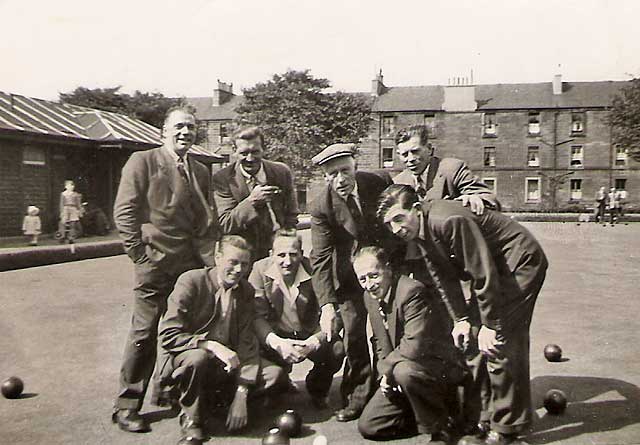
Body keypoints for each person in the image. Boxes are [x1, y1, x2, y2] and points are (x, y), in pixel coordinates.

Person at [377, 184, 548, 445]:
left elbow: (483, 271)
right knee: (473, 341)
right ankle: (482, 416)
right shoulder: (421, 229)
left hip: (520, 263)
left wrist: (490, 324)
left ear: (415, 208)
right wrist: (461, 320)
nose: (396, 229)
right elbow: (441, 275)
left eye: (399, 218)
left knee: (498, 343)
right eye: (390, 224)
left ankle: (507, 429)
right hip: (496, 269)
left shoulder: (447, 220)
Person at [111, 106, 219, 433]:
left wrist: (206, 258)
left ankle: (169, 390)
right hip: (154, 266)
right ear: (164, 131)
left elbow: (206, 217)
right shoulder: (142, 161)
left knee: (184, 334)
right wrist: (140, 256)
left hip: (188, 268)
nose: (185, 132)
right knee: (144, 335)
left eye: (190, 127)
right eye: (179, 127)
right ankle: (127, 405)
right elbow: (125, 212)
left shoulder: (199, 170)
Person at [158, 235, 286, 445]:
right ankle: (191, 419)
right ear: (217, 258)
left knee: (274, 374)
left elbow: (247, 342)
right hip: (189, 357)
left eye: (244, 265)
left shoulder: (246, 290)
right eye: (233, 262)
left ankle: (224, 404)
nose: (238, 270)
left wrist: (242, 392)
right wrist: (211, 345)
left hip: (226, 365)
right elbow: (168, 335)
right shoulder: (191, 281)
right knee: (197, 359)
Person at [309, 143, 393, 422]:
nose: (341, 179)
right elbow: (320, 257)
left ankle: (389, 389)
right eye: (332, 174)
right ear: (325, 177)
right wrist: (327, 305)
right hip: (347, 277)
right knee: (354, 333)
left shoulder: (378, 182)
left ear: (356, 165)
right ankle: (356, 396)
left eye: (345, 170)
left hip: (382, 268)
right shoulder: (322, 205)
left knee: (387, 329)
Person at [353, 247, 467, 443]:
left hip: (433, 371)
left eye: (373, 275)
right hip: (402, 371)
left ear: (388, 269)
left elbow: (413, 345)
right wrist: (384, 375)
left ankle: (442, 427)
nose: (369, 284)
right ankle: (428, 414)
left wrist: (388, 373)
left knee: (404, 372)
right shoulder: (369, 298)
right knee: (370, 426)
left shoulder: (411, 291)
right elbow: (380, 342)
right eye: (362, 279)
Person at [249, 228, 345, 409]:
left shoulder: (315, 271)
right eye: (281, 255)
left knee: (337, 349)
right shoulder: (259, 270)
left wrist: (312, 343)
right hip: (277, 336)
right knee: (257, 348)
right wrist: (278, 343)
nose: (287, 261)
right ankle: (279, 381)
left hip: (306, 335)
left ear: (301, 254)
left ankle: (317, 388)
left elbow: (335, 315)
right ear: (271, 254)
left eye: (293, 255)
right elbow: (257, 317)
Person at [212, 126, 299, 261]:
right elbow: (225, 223)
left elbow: (292, 214)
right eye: (244, 153)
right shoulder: (223, 179)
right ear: (234, 151)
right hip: (243, 255)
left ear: (263, 149)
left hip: (279, 254)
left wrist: (285, 239)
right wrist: (251, 202)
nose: (250, 158)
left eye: (255, 152)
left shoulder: (281, 172)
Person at [393, 125, 499, 213]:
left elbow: (489, 198)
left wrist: (475, 198)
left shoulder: (452, 169)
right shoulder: (398, 182)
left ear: (429, 149)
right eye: (405, 154)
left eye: (415, 151)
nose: (410, 159)